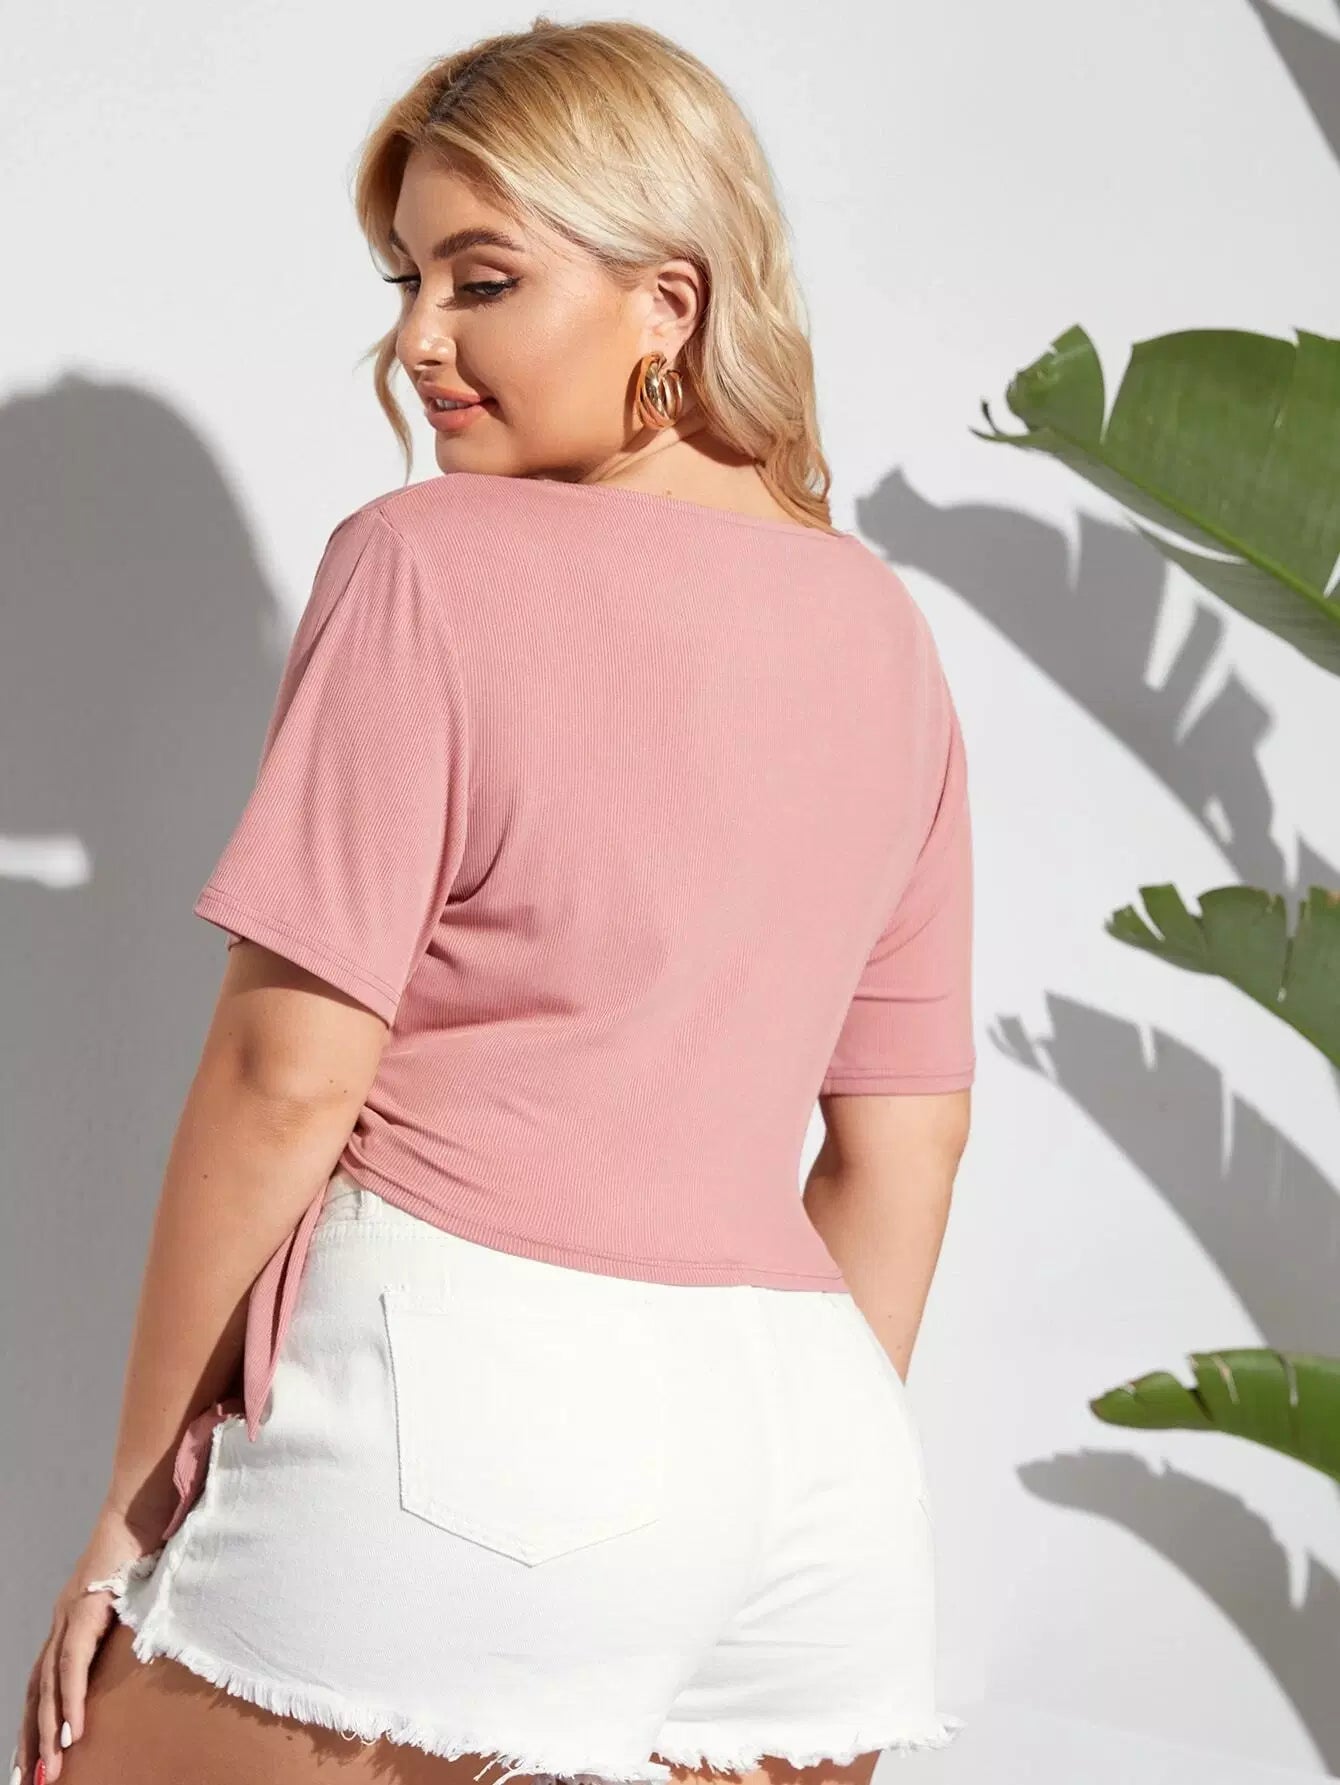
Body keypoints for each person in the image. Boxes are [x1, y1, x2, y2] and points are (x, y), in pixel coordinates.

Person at [12, 17, 975, 1785]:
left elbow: (283, 1080)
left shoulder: (425, 564)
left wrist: (126, 1517)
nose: (419, 340)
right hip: (818, 1466)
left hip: (477, 1402)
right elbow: (904, 1144)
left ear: (668, 302)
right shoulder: (883, 631)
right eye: (407, 281)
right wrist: (729, 1504)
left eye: (484, 279)